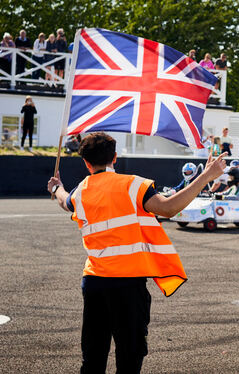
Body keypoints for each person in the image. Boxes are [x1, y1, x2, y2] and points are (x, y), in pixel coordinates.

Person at [46, 132, 226, 373]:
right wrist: (206, 176)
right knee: (129, 357)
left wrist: (57, 187)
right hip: (127, 286)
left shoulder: (81, 191)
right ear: (115, 158)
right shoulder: (133, 185)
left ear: (86, 163)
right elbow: (169, 208)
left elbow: (64, 200)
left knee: (92, 357)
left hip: (93, 283)